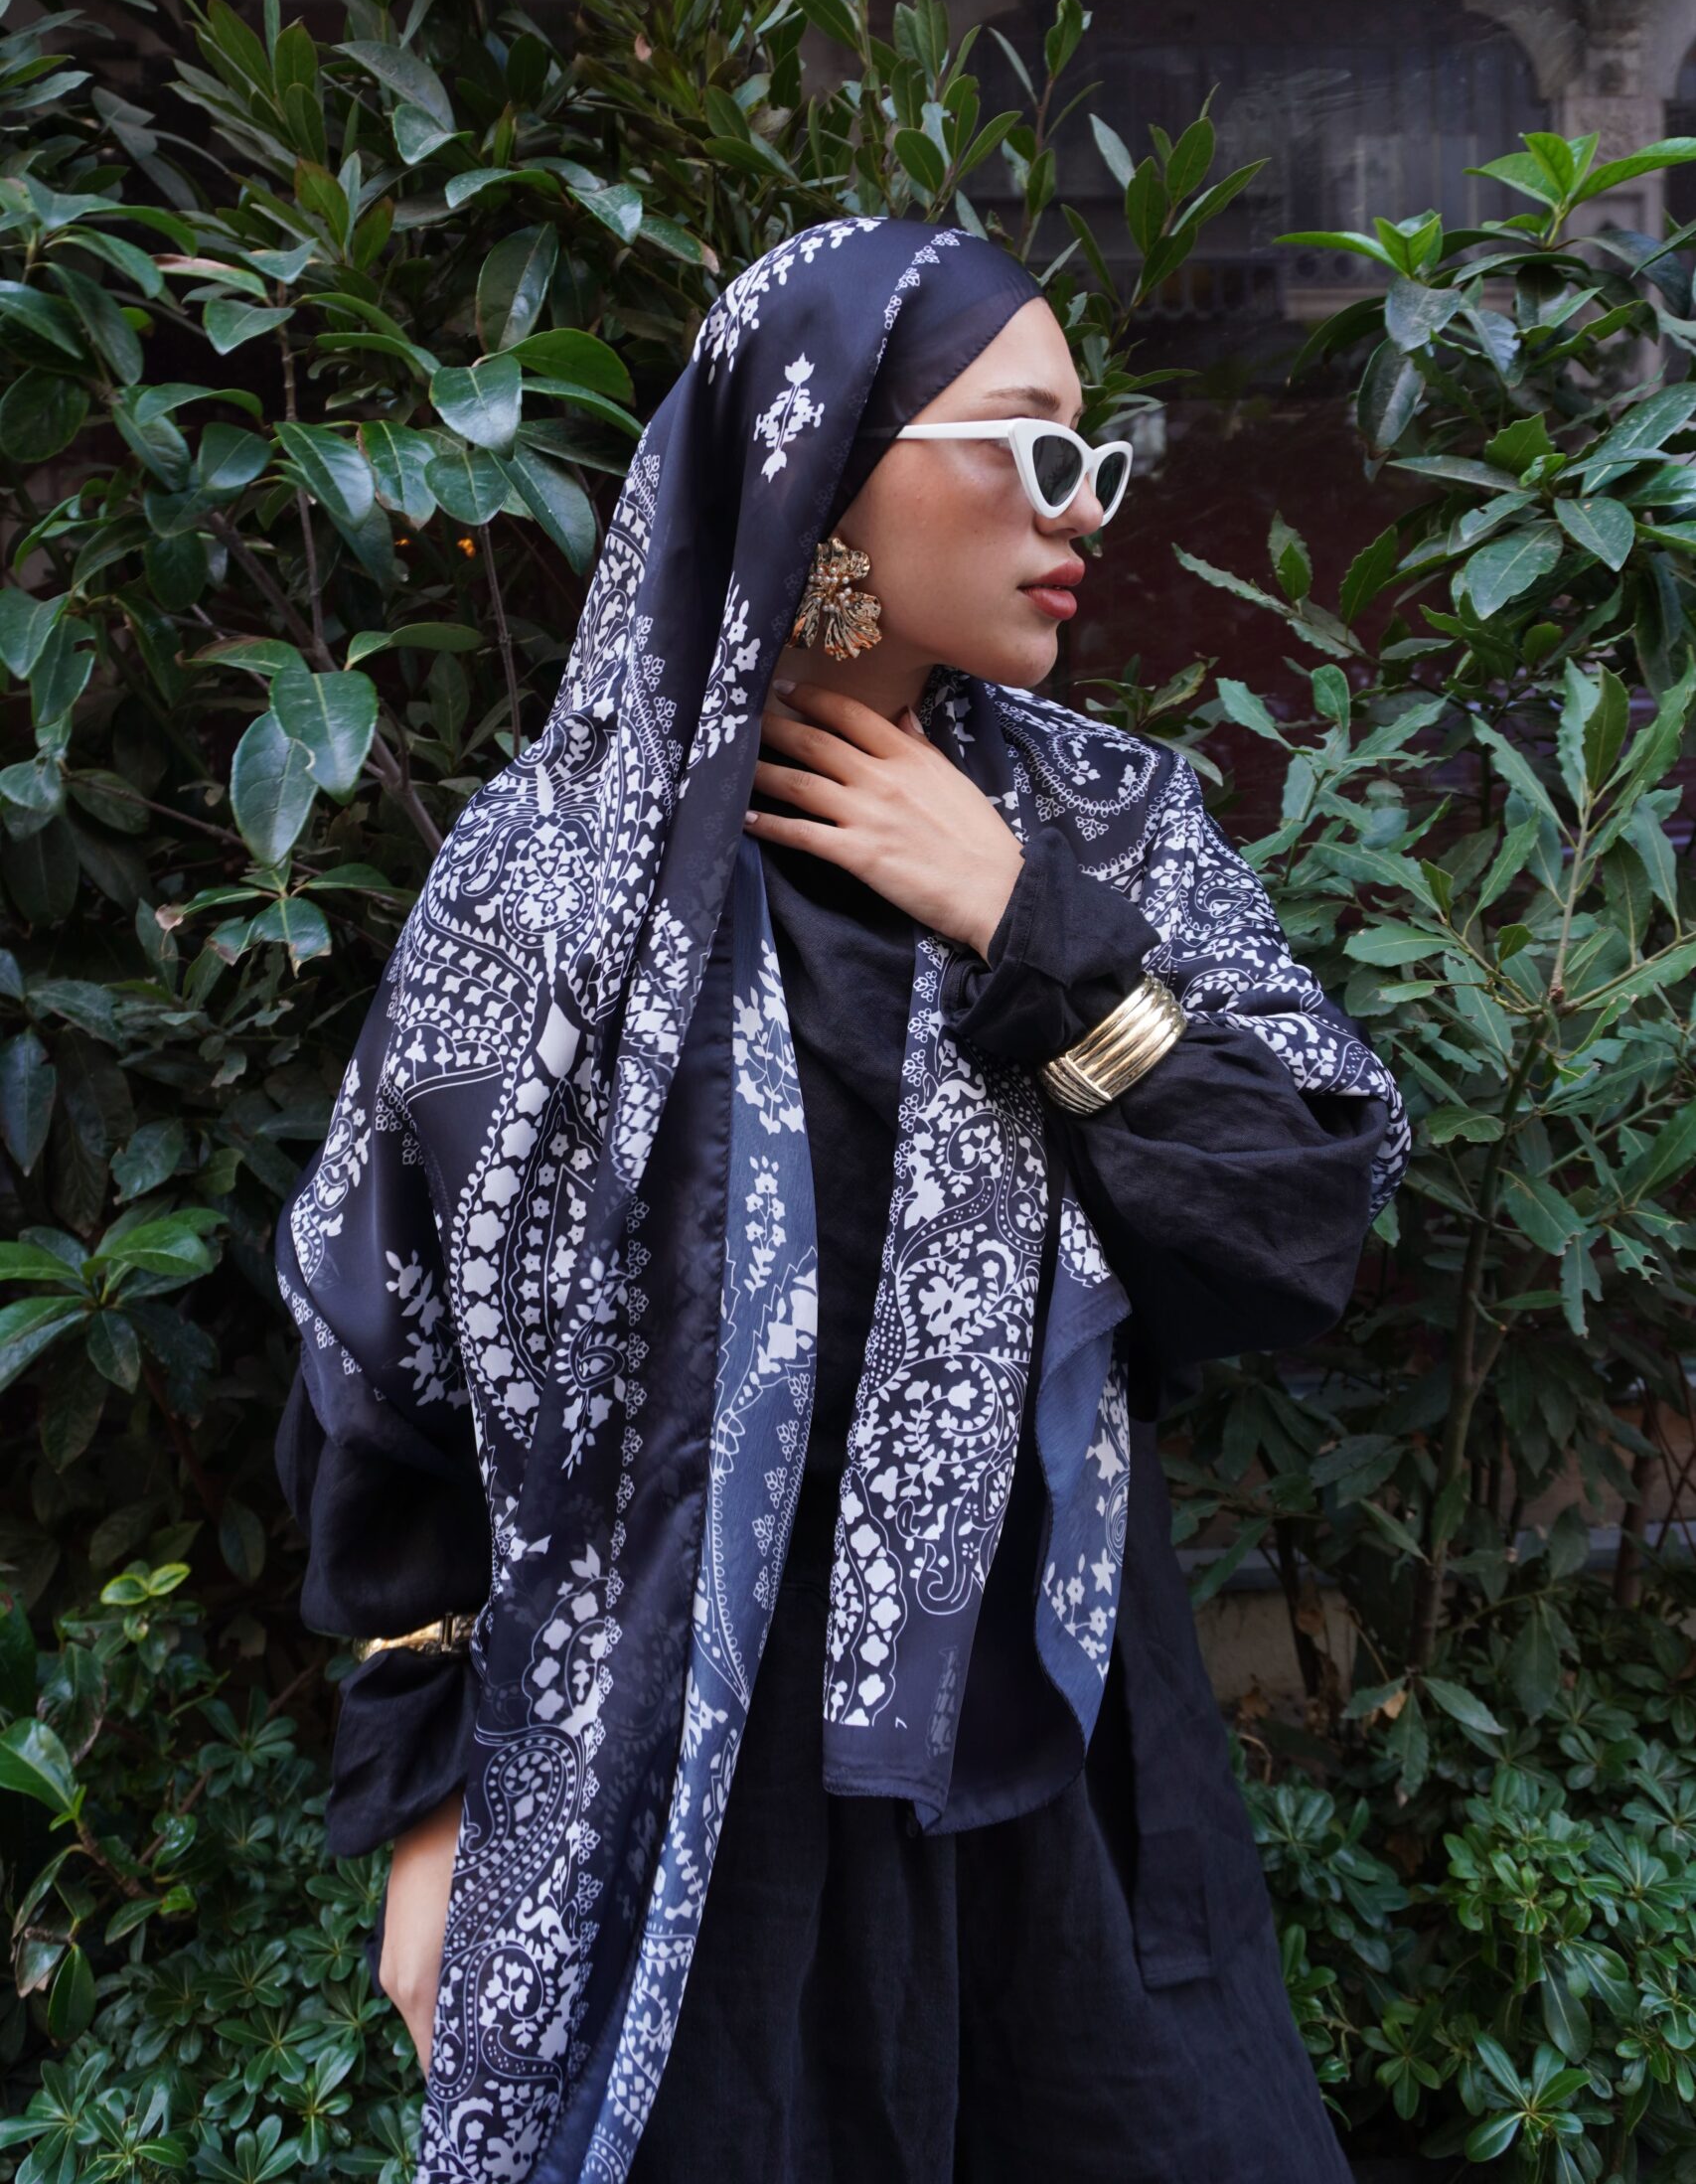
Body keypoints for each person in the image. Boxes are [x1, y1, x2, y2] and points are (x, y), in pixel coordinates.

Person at [275, 213, 1408, 2183]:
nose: (1084, 506)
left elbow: (1297, 1214)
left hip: (1060, 1767)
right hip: (670, 1790)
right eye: (1030, 444)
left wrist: (1021, 919)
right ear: (826, 459)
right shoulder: (558, 876)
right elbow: (392, 1365)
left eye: (1097, 456)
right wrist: (425, 1813)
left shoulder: (1097, 826)